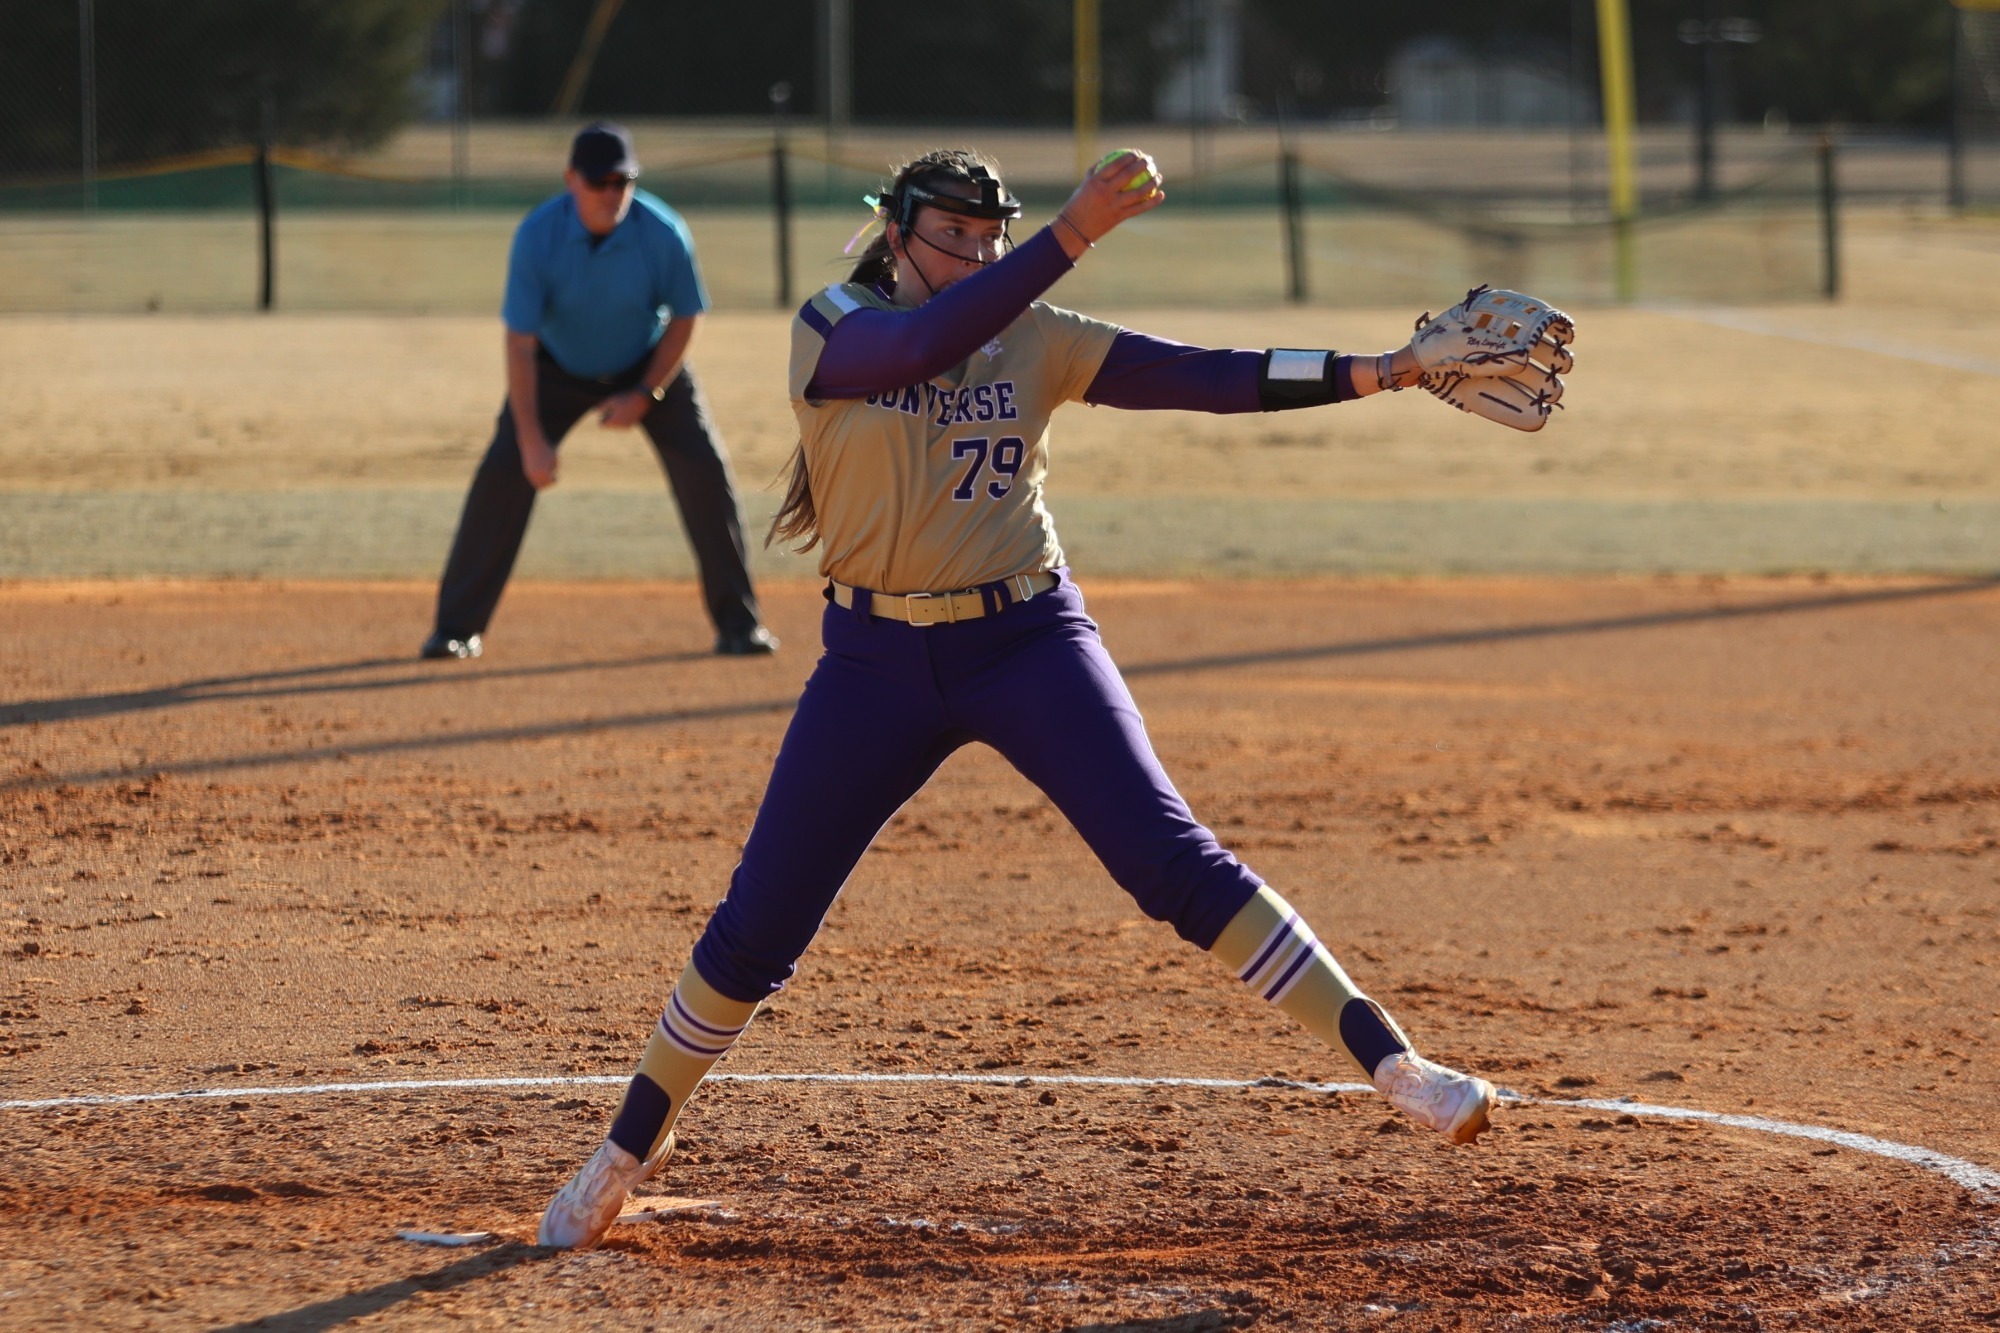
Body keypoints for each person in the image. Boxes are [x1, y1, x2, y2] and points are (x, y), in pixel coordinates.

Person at [536, 147, 1497, 1249]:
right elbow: (922, 346)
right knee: (759, 925)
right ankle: (629, 1144)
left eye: (990, 235)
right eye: (952, 233)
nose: (977, 253)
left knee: (1171, 859)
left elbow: (1203, 376)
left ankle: (1396, 1066)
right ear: (895, 231)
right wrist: (1071, 231)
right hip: (872, 663)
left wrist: (1386, 368)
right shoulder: (835, 325)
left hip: (1026, 638)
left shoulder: (1033, 332)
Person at [422, 122, 776, 661]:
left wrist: (645, 393)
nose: (612, 193)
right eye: (599, 182)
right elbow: (519, 343)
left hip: (647, 363)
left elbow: (686, 317)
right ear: (572, 179)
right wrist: (531, 441)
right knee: (503, 473)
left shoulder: (663, 231)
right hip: (555, 367)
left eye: (623, 181)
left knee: (706, 472)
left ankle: (739, 625)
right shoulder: (538, 235)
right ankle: (455, 628)